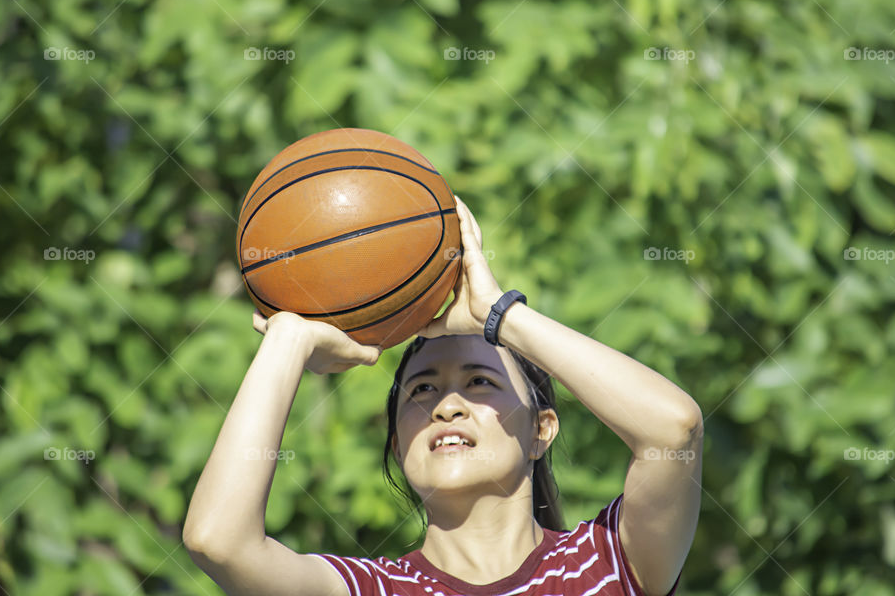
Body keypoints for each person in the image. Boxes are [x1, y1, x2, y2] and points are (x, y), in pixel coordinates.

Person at [183, 196, 703, 596]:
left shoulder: (604, 565)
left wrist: (499, 315)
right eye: (423, 389)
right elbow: (219, 540)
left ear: (541, 431)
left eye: (480, 382)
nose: (445, 406)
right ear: (395, 445)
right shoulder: (374, 589)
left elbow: (673, 427)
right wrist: (289, 339)